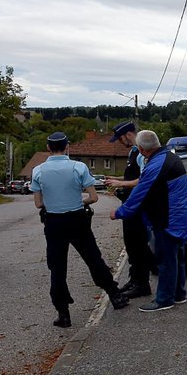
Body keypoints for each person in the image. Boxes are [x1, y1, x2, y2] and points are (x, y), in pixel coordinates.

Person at [31, 131, 129, 328]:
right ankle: (115, 295)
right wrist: (77, 201)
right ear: (67, 146)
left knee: (57, 267)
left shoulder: (38, 171)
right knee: (93, 258)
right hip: (77, 219)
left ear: (48, 148)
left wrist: (55, 203)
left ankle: (63, 314)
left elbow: (39, 204)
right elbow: (93, 197)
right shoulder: (79, 167)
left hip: (54, 222)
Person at [111, 130, 187, 313]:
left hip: (167, 217)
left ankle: (164, 299)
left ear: (141, 149)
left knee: (165, 260)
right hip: (179, 215)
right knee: (176, 257)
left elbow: (140, 192)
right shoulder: (170, 157)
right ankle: (179, 294)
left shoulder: (156, 164)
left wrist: (119, 212)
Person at [104, 120, 157, 298]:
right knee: (132, 246)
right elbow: (132, 177)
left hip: (137, 207)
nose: (120, 143)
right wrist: (117, 180)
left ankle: (142, 284)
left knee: (138, 245)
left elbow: (144, 180)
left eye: (120, 139)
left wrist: (121, 184)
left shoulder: (141, 154)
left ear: (128, 135)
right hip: (131, 205)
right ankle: (135, 279)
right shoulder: (133, 152)